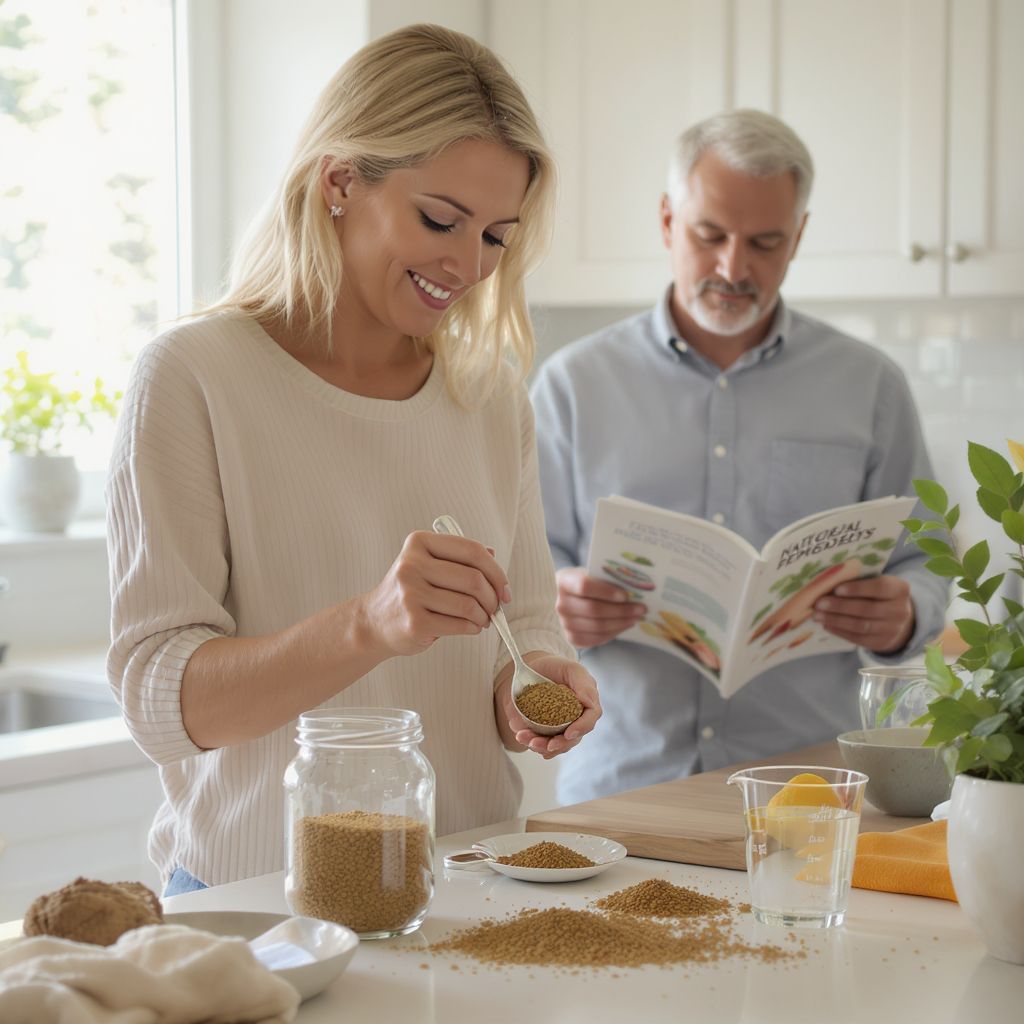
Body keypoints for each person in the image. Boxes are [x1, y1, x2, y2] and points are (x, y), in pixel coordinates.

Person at [106, 23, 600, 895]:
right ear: (340, 181)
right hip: (261, 904)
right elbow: (163, 702)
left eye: (496, 236)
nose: (468, 265)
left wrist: (535, 685)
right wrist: (368, 626)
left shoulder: (489, 396)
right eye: (439, 219)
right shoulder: (194, 377)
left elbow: (520, 630)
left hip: (468, 889)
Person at [529, 109, 946, 806]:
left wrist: (906, 613)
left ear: (800, 236)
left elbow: (926, 557)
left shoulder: (871, 386)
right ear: (667, 221)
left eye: (765, 242)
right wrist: (557, 604)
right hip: (621, 789)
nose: (733, 267)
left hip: (807, 794)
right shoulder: (572, 386)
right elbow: (524, 568)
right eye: (709, 235)